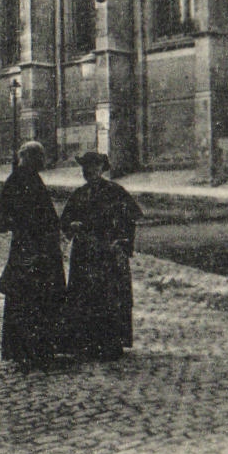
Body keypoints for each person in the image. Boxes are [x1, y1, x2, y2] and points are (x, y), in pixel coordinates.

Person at [0, 141, 66, 368]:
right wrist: (24, 227)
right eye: (39, 157)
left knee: (37, 296)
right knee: (28, 296)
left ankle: (37, 347)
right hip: (28, 248)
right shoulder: (16, 180)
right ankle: (29, 348)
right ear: (28, 158)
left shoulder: (32, 178)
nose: (42, 162)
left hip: (40, 247)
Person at [61, 151, 143, 361]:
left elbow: (132, 218)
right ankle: (85, 342)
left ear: (101, 169)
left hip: (108, 252)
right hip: (85, 253)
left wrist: (122, 243)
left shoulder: (115, 192)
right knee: (84, 295)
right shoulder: (79, 194)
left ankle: (111, 342)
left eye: (93, 167)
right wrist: (72, 226)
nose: (88, 172)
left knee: (110, 297)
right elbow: (65, 221)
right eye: (85, 168)